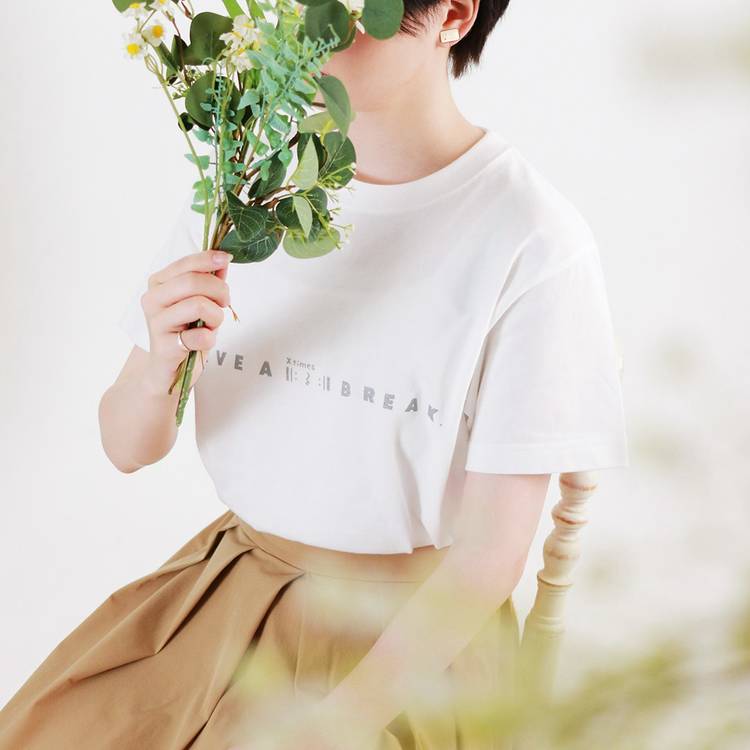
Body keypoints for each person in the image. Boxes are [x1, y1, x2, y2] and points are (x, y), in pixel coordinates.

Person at [0, 0, 630, 748]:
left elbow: (488, 560)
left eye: (347, 9)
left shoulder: (531, 240)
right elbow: (127, 447)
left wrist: (335, 724)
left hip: (413, 650)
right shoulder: (247, 183)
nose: (306, 31)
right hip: (228, 598)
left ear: (454, 17)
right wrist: (161, 358)